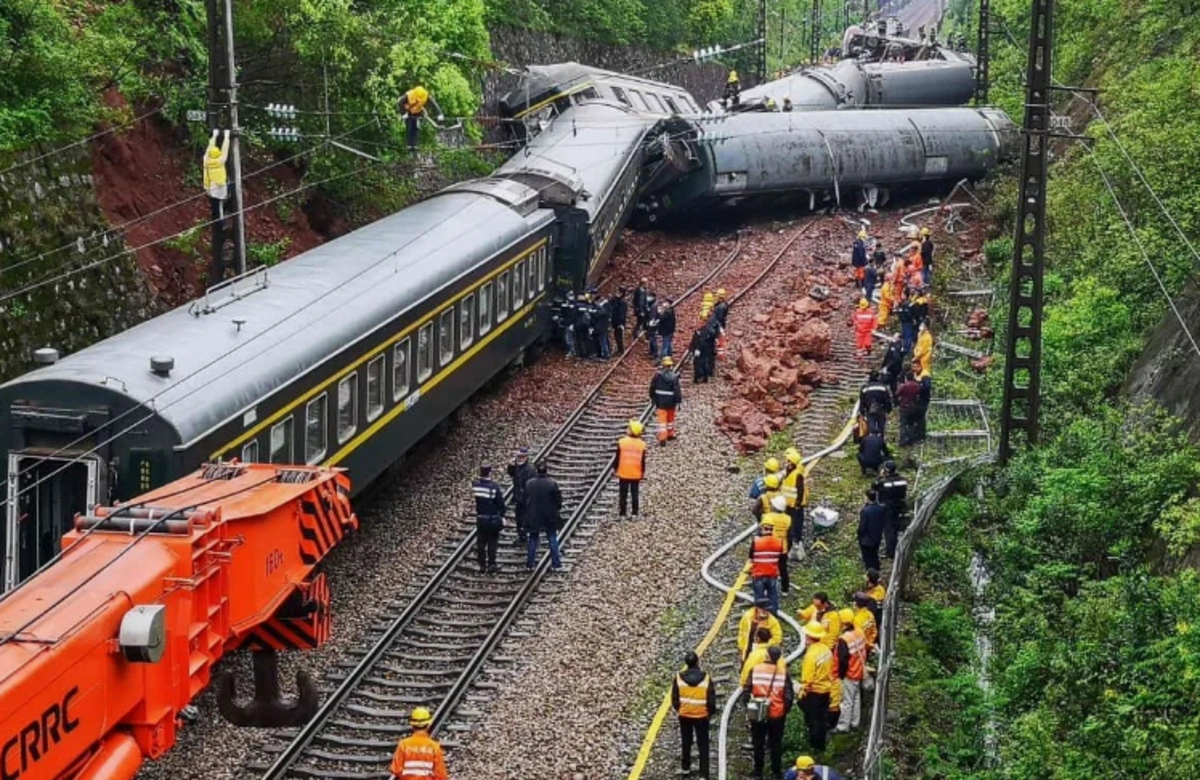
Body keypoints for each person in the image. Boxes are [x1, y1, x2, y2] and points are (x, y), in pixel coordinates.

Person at [746, 645, 791, 780]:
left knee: (758, 742)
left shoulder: (755, 670)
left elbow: (746, 690)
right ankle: (776, 771)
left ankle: (758, 771)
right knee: (775, 743)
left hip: (759, 712)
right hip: (777, 713)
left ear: (767, 656)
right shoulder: (783, 673)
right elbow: (788, 696)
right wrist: (784, 711)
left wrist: (750, 708)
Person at [673, 651, 717, 779]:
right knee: (703, 744)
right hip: (701, 716)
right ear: (698, 662)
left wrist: (681, 709)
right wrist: (709, 713)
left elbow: (675, 699)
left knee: (686, 741)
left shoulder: (679, 678)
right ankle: (704, 775)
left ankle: (685, 769)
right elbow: (711, 701)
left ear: (686, 663)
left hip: (685, 715)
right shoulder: (706, 678)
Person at [798, 621, 833, 752]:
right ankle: (822, 744)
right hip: (826, 689)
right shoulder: (826, 649)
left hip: (815, 692)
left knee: (813, 721)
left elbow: (807, 679)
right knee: (822, 718)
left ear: (808, 636)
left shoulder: (811, 655)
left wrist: (802, 693)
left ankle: (815, 747)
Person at [202, 129, 231, 281]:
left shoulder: (207, 160)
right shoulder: (220, 160)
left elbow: (208, 148)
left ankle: (220, 219)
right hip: (220, 185)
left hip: (211, 185)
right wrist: (225, 136)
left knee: (217, 205)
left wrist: (213, 136)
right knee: (222, 203)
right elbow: (225, 148)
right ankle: (223, 221)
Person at [388, 707, 447, 780]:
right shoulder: (434, 746)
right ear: (428, 725)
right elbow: (441, 775)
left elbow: (396, 769)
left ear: (412, 725)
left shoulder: (404, 744)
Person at [525, 460, 563, 570]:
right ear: (547, 470)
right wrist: (556, 509)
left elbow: (524, 499)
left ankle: (530, 564)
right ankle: (556, 564)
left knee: (533, 538)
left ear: (536, 470)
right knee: (552, 538)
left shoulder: (529, 483)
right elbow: (558, 501)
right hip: (549, 515)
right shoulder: (552, 483)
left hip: (533, 515)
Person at [835, 609, 867, 732]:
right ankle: (855, 722)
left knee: (846, 700)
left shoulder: (844, 639)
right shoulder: (859, 631)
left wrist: (841, 675)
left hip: (850, 672)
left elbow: (842, 660)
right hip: (859, 669)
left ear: (843, 623)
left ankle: (843, 726)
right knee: (856, 697)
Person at [472, 464, 506, 573]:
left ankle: (482, 565)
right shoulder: (494, 487)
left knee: (481, 543)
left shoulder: (476, 486)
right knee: (492, 542)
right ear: (490, 473)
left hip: (481, 518)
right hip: (492, 519)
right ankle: (492, 564)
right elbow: (500, 504)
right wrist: (502, 515)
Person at [875, 461, 909, 559]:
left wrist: (880, 477)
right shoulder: (903, 480)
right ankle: (900, 546)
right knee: (898, 526)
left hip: (888, 508)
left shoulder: (884, 483)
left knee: (889, 530)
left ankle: (891, 552)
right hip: (900, 506)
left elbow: (875, 486)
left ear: (886, 470)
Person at [615, 419, 647, 518]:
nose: (627, 429)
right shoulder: (642, 445)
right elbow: (642, 461)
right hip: (635, 473)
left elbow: (617, 457)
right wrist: (642, 472)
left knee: (623, 494)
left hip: (623, 472)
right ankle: (634, 513)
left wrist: (615, 468)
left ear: (631, 431)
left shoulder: (622, 442)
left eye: (628, 428)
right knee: (635, 494)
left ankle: (622, 513)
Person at [750, 523, 784, 615]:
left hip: (758, 574)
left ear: (763, 530)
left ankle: (759, 616)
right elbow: (781, 558)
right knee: (773, 596)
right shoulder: (779, 541)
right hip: (772, 574)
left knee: (759, 597)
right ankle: (773, 616)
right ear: (772, 531)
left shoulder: (756, 541)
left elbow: (751, 556)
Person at [761, 495, 793, 594]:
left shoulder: (767, 517)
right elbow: (790, 535)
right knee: (783, 569)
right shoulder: (788, 519)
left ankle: (767, 589)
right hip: (782, 547)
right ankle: (785, 589)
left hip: (770, 548)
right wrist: (787, 548)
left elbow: (762, 534)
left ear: (774, 506)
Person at [397, 85, 443, 153]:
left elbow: (434, 104)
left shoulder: (425, 95)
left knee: (416, 128)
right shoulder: (408, 95)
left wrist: (439, 114)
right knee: (409, 127)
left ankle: (415, 145)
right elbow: (400, 103)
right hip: (408, 112)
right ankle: (409, 145)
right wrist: (403, 113)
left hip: (417, 112)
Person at [738, 598, 783, 663]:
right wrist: (741, 647)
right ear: (757, 608)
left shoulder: (773, 622)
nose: (765, 612)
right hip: (748, 649)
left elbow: (777, 639)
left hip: (763, 653)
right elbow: (742, 632)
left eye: (767, 610)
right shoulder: (747, 617)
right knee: (745, 667)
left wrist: (762, 646)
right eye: (763, 609)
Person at [650, 357, 683, 445]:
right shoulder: (674, 377)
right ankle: (670, 434)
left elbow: (652, 387)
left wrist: (652, 398)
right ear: (671, 366)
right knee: (670, 419)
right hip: (671, 401)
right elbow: (677, 390)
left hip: (660, 401)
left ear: (663, 365)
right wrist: (678, 401)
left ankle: (662, 438)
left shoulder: (657, 375)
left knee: (662, 421)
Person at [507, 446, 536, 544]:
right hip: (519, 497)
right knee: (519, 518)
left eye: (522, 457)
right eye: (519, 457)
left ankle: (525, 535)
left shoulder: (530, 469)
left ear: (526, 457)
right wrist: (511, 466)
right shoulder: (517, 466)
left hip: (525, 498)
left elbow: (530, 484)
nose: (520, 459)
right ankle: (522, 536)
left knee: (524, 517)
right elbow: (512, 474)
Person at [780, 447, 807, 551]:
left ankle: (797, 541)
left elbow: (800, 491)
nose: (786, 463)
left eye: (788, 461)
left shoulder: (797, 474)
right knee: (789, 524)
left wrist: (797, 503)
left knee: (796, 524)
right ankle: (790, 539)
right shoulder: (789, 471)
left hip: (795, 505)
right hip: (788, 503)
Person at [857, 490, 887, 571]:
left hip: (867, 539)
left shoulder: (865, 511)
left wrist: (860, 536)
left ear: (867, 498)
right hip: (877, 537)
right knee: (874, 555)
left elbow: (862, 527)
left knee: (868, 558)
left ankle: (871, 574)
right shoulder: (881, 508)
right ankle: (877, 570)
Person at [859, 371, 892, 436]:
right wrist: (888, 409)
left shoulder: (865, 388)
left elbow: (862, 400)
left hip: (870, 409)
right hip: (881, 409)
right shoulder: (883, 387)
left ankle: (873, 437)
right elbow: (887, 399)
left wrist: (862, 411)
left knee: (871, 423)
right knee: (881, 425)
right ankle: (880, 438)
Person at [594, 291, 612, 359]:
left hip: (602, 326)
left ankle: (606, 354)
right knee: (604, 340)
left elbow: (600, 314)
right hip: (603, 325)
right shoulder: (606, 306)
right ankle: (605, 353)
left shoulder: (604, 307)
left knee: (603, 340)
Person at [611, 287, 629, 353]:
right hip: (615, 321)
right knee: (616, 336)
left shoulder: (623, 302)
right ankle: (619, 349)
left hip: (619, 322)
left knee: (619, 336)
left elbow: (622, 314)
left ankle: (621, 350)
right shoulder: (616, 300)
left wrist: (620, 323)